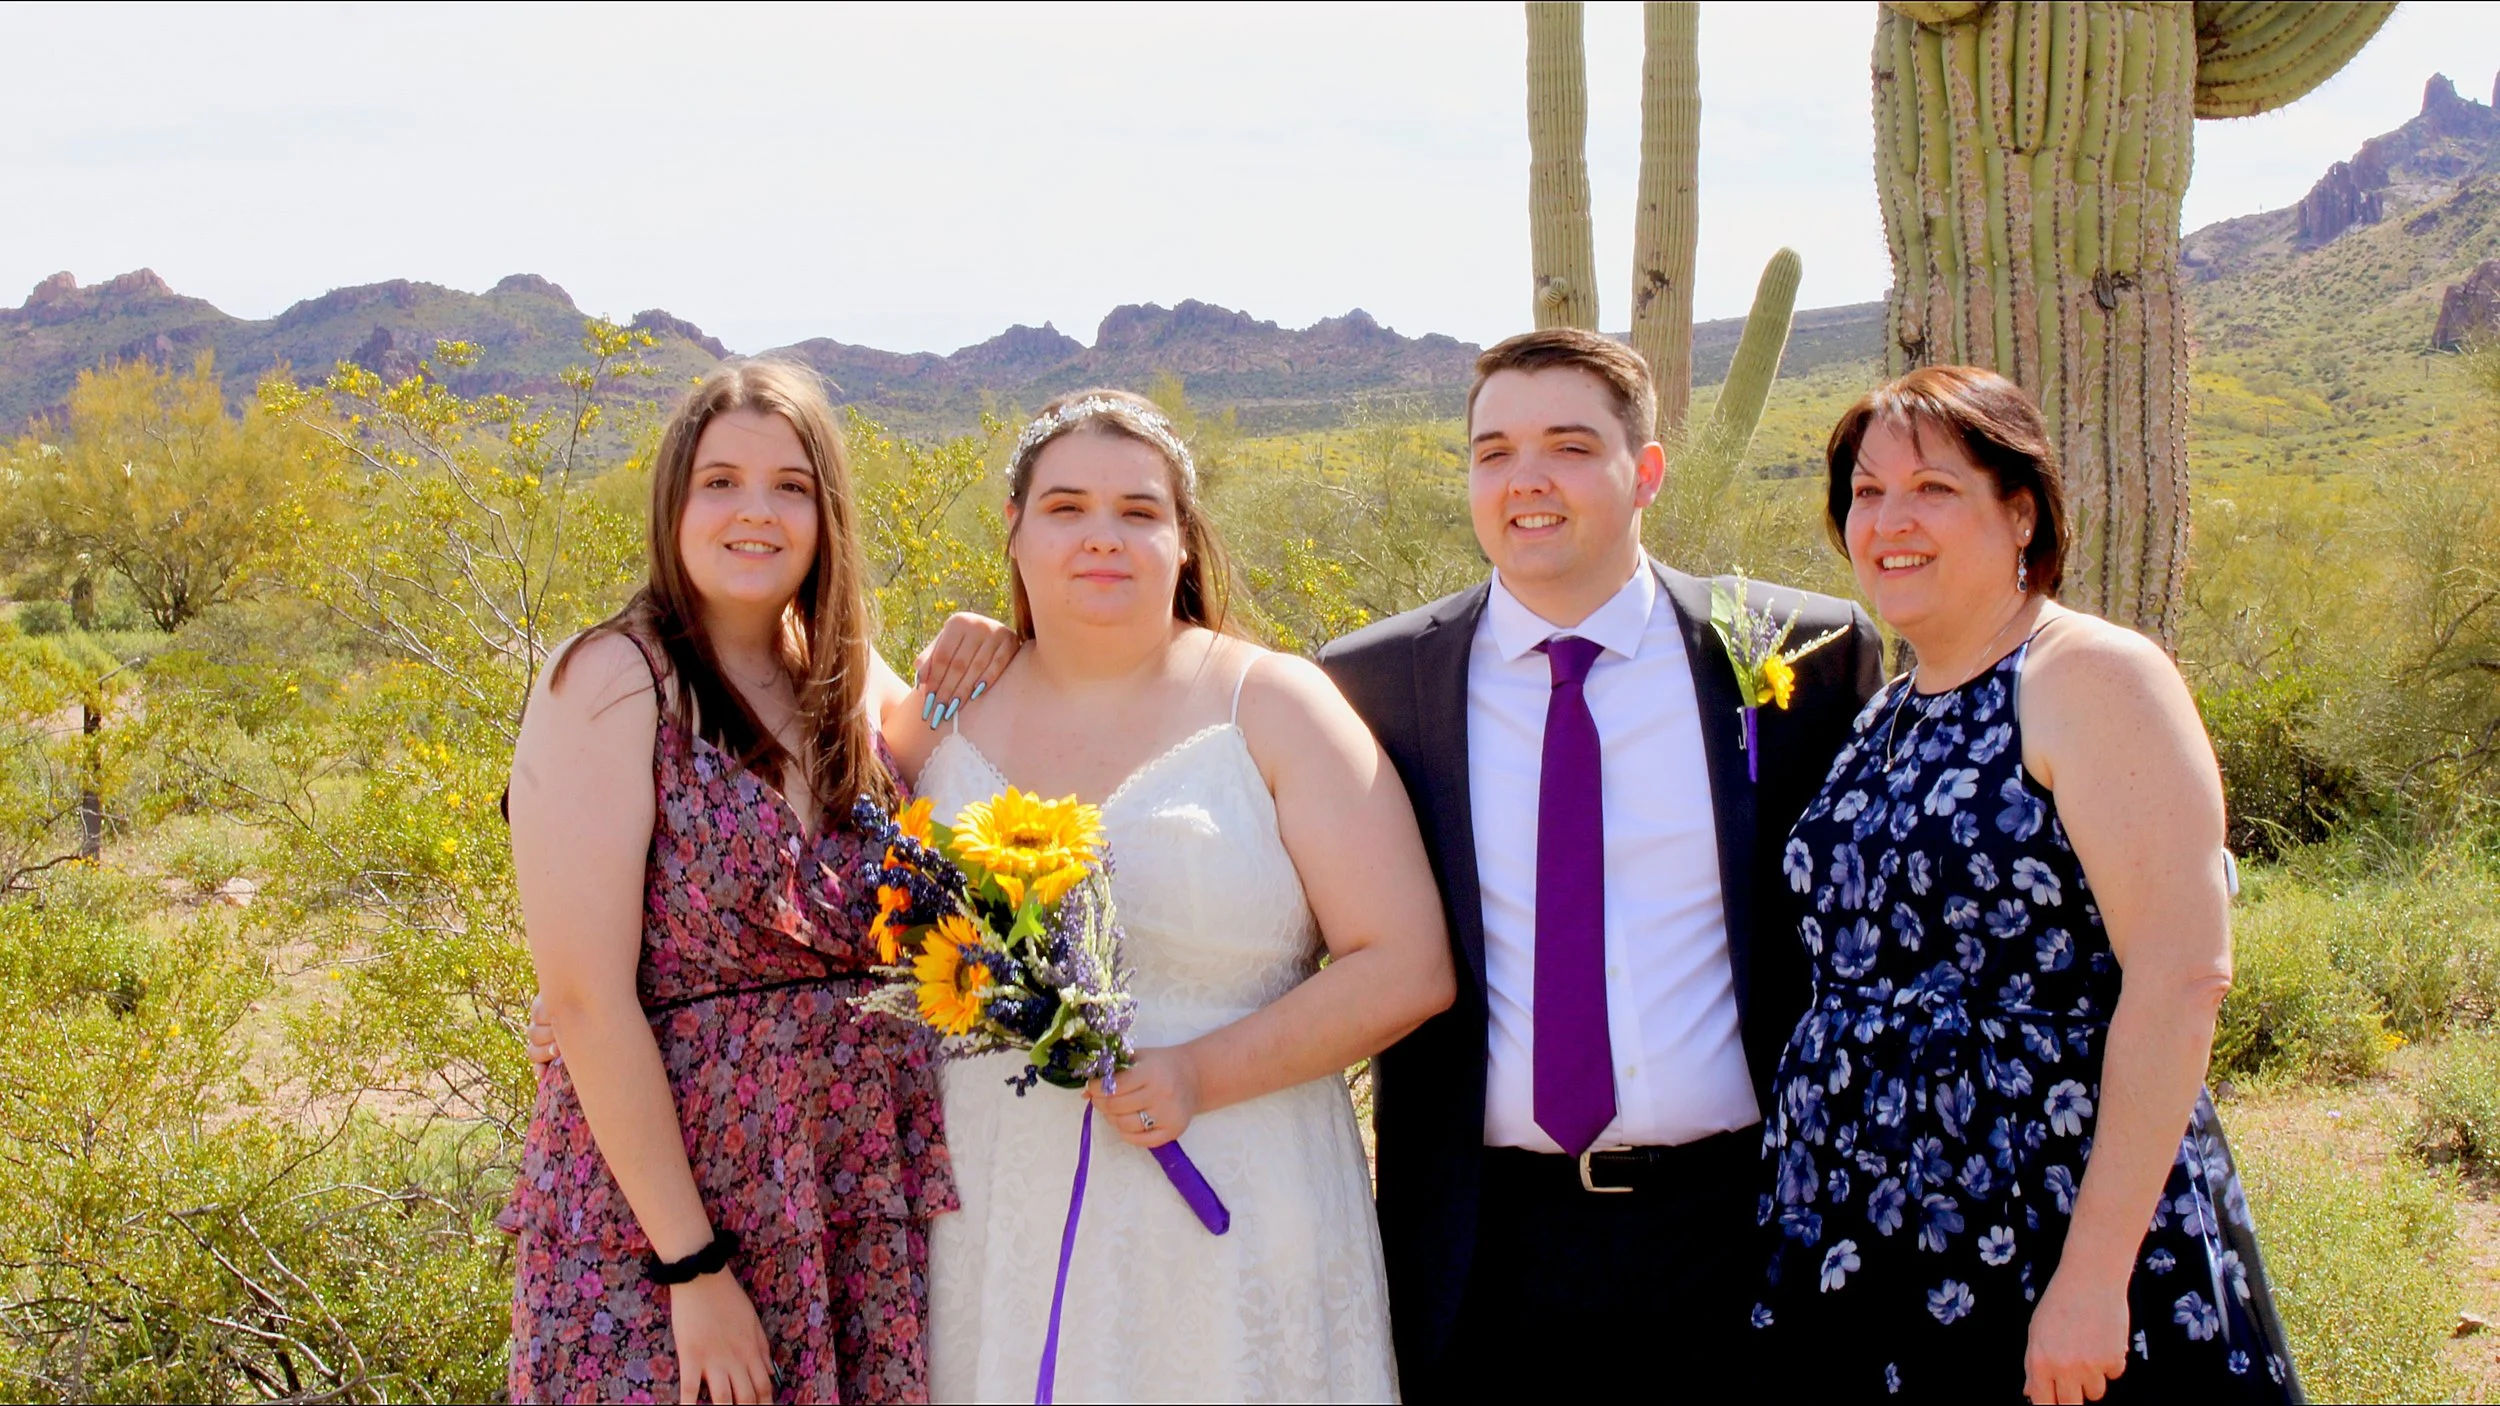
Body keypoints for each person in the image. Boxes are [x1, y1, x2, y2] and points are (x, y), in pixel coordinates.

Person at [1315, 329, 1885, 1397]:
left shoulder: (1802, 651)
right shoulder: (1371, 684)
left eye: (1568, 445)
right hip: (1481, 1245)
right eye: (1493, 451)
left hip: (1742, 1218)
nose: (1524, 477)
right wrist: (1007, 640)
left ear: (1647, 470)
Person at [886, 388, 1454, 1402]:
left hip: (1232, 1184)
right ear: (1013, 531)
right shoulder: (940, 720)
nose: (1102, 536)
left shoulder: (1273, 705)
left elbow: (1406, 962)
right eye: (1065, 507)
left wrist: (1198, 1073)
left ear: (1183, 541)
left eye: (1139, 511)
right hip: (992, 1200)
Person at [1747, 366, 2297, 1402]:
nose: (1889, 519)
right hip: (1869, 1221)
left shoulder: (2085, 674)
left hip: (2044, 1211)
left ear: (2020, 512)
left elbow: (2182, 975)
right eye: (1866, 492)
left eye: (1932, 490)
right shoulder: (1885, 711)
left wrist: (2092, 1276)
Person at [503, 360, 1001, 1404]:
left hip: (847, 1188)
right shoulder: (610, 679)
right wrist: (691, 1264)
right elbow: (586, 1002)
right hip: (668, 1210)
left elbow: (949, 761)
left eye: (789, 485)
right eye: (720, 481)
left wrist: (989, 644)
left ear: (826, 511)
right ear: (674, 502)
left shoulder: (846, 677)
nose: (754, 512)